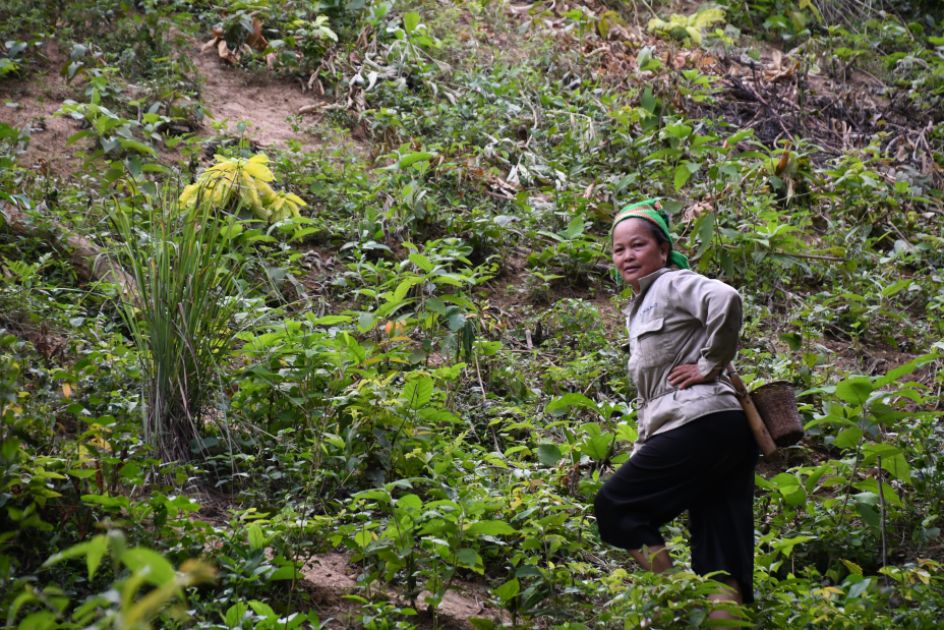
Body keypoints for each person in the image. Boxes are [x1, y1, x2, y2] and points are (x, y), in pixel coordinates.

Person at [594, 199, 759, 618]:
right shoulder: (643, 303)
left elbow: (725, 297)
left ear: (662, 250)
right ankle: (714, 616)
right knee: (720, 558)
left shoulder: (669, 284)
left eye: (638, 245)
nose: (628, 256)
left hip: (702, 423)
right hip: (723, 432)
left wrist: (709, 364)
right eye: (619, 250)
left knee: (617, 505)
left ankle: (679, 604)